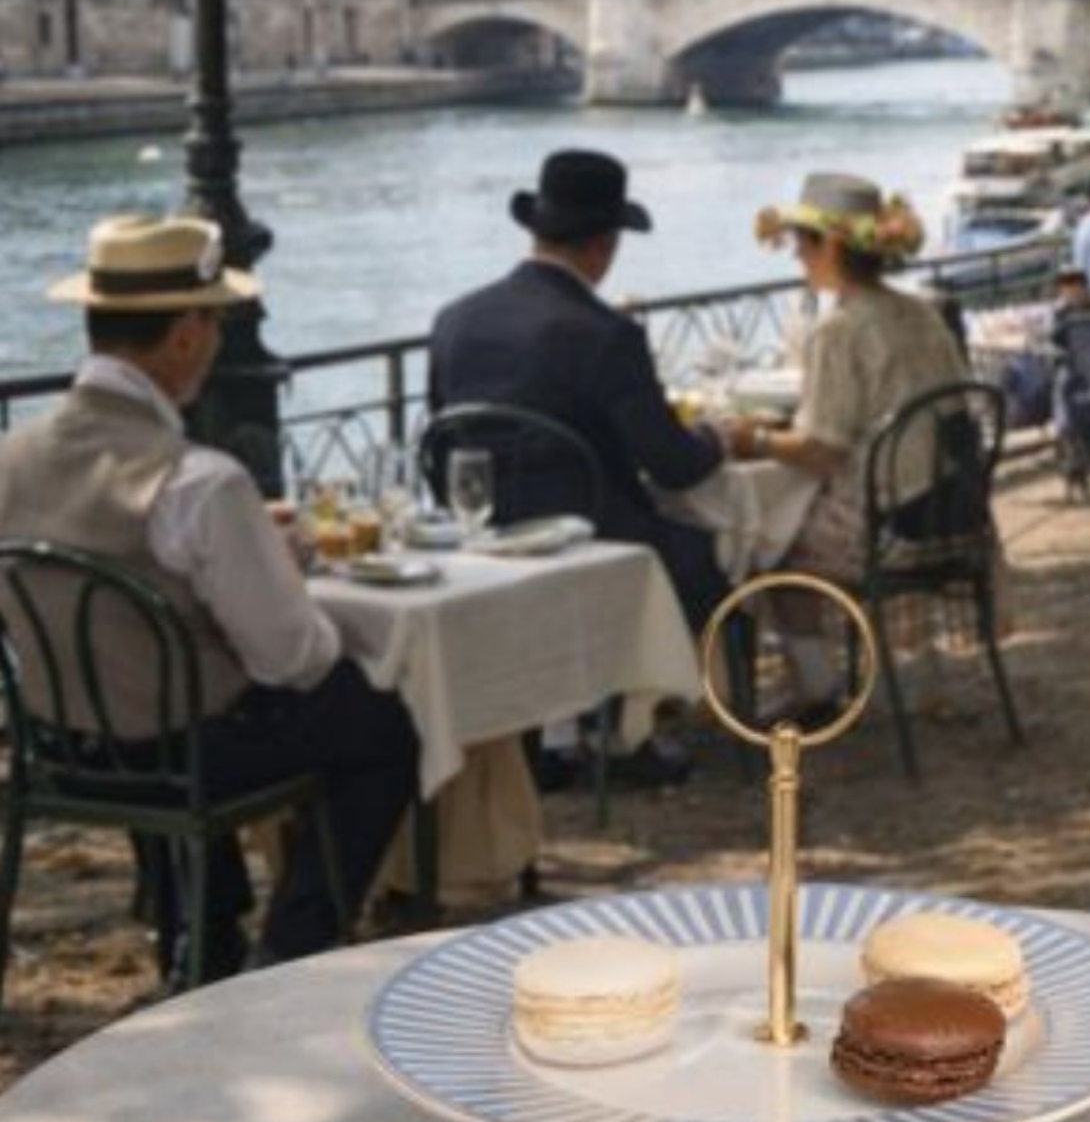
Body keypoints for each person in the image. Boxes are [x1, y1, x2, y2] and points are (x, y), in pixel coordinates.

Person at [0, 216, 419, 981]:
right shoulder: (197, 480)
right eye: (217, 322)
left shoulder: (11, 457)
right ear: (188, 335)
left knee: (162, 683)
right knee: (377, 722)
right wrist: (279, 571)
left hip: (56, 745)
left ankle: (200, 930)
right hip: (180, 754)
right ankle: (291, 955)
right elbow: (292, 658)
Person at [429, 150, 729, 634]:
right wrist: (720, 437)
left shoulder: (453, 320)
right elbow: (674, 466)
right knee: (727, 553)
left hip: (481, 544)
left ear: (535, 232)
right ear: (604, 246)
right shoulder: (607, 334)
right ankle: (680, 697)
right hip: (594, 544)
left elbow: (445, 442)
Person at [728, 174, 973, 720]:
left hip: (891, 525)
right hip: (955, 508)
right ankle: (863, 678)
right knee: (786, 522)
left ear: (831, 247)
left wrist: (752, 438)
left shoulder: (839, 330)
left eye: (802, 244)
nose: (796, 257)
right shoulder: (922, 311)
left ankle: (815, 689)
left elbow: (822, 448)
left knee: (766, 549)